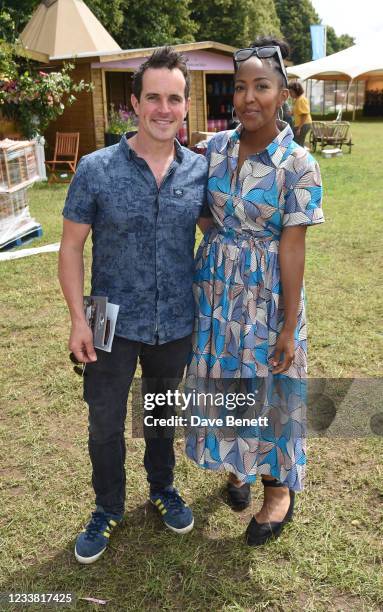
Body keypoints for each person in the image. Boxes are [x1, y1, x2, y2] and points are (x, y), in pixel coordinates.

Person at [58, 46, 210, 564]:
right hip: (106, 316)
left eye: (173, 99)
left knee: (161, 415)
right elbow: (72, 247)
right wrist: (79, 319)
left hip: (176, 318)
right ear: (134, 103)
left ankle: (162, 488)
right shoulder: (96, 169)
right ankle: (106, 507)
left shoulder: (200, 172)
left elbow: (219, 234)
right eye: (153, 98)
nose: (163, 109)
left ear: (185, 106)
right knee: (103, 420)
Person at [185, 37, 324, 546]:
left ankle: (276, 490)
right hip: (218, 293)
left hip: (269, 298)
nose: (248, 97)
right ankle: (236, 468)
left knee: (269, 389)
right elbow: (203, 215)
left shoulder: (299, 163)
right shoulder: (216, 149)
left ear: (282, 94)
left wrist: (288, 326)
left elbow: (292, 248)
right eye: (240, 86)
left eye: (261, 86)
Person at [288, 81, 313, 147]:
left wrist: (299, 128)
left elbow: (305, 114)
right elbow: (298, 112)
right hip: (299, 124)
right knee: (296, 142)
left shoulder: (301, 99)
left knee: (298, 143)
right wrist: (292, 113)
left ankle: (299, 156)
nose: (290, 94)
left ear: (297, 91)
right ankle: (298, 156)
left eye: (291, 92)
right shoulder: (297, 100)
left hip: (303, 124)